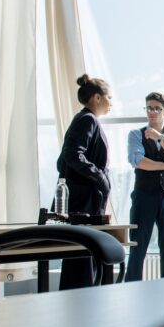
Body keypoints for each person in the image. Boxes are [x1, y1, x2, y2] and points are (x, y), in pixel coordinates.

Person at [57, 73, 112, 290]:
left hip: (83, 201)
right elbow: (72, 155)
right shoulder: (88, 120)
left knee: (79, 258)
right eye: (109, 97)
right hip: (84, 204)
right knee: (82, 258)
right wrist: (99, 177)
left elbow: (62, 159)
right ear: (97, 98)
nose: (111, 103)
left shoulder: (83, 120)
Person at [125, 92, 164, 282]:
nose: (152, 112)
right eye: (148, 108)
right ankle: (131, 288)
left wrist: (161, 138)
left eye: (156, 108)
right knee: (138, 246)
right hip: (144, 195)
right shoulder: (136, 134)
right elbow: (139, 161)